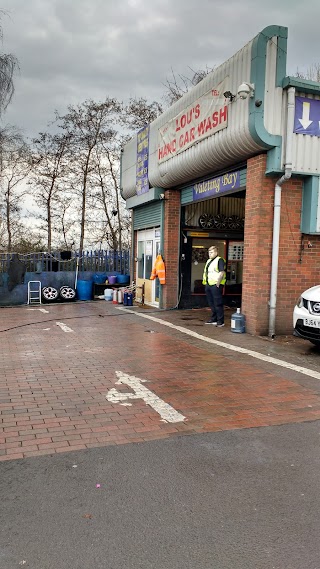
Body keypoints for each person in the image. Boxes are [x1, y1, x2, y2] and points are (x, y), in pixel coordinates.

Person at [202, 246, 226, 326]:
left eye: (211, 252)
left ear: (216, 252)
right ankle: (214, 319)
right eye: (209, 252)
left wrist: (218, 283)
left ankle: (220, 321)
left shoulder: (219, 260)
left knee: (218, 303)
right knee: (211, 303)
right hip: (209, 284)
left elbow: (221, 272)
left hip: (215, 285)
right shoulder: (209, 261)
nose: (210, 254)